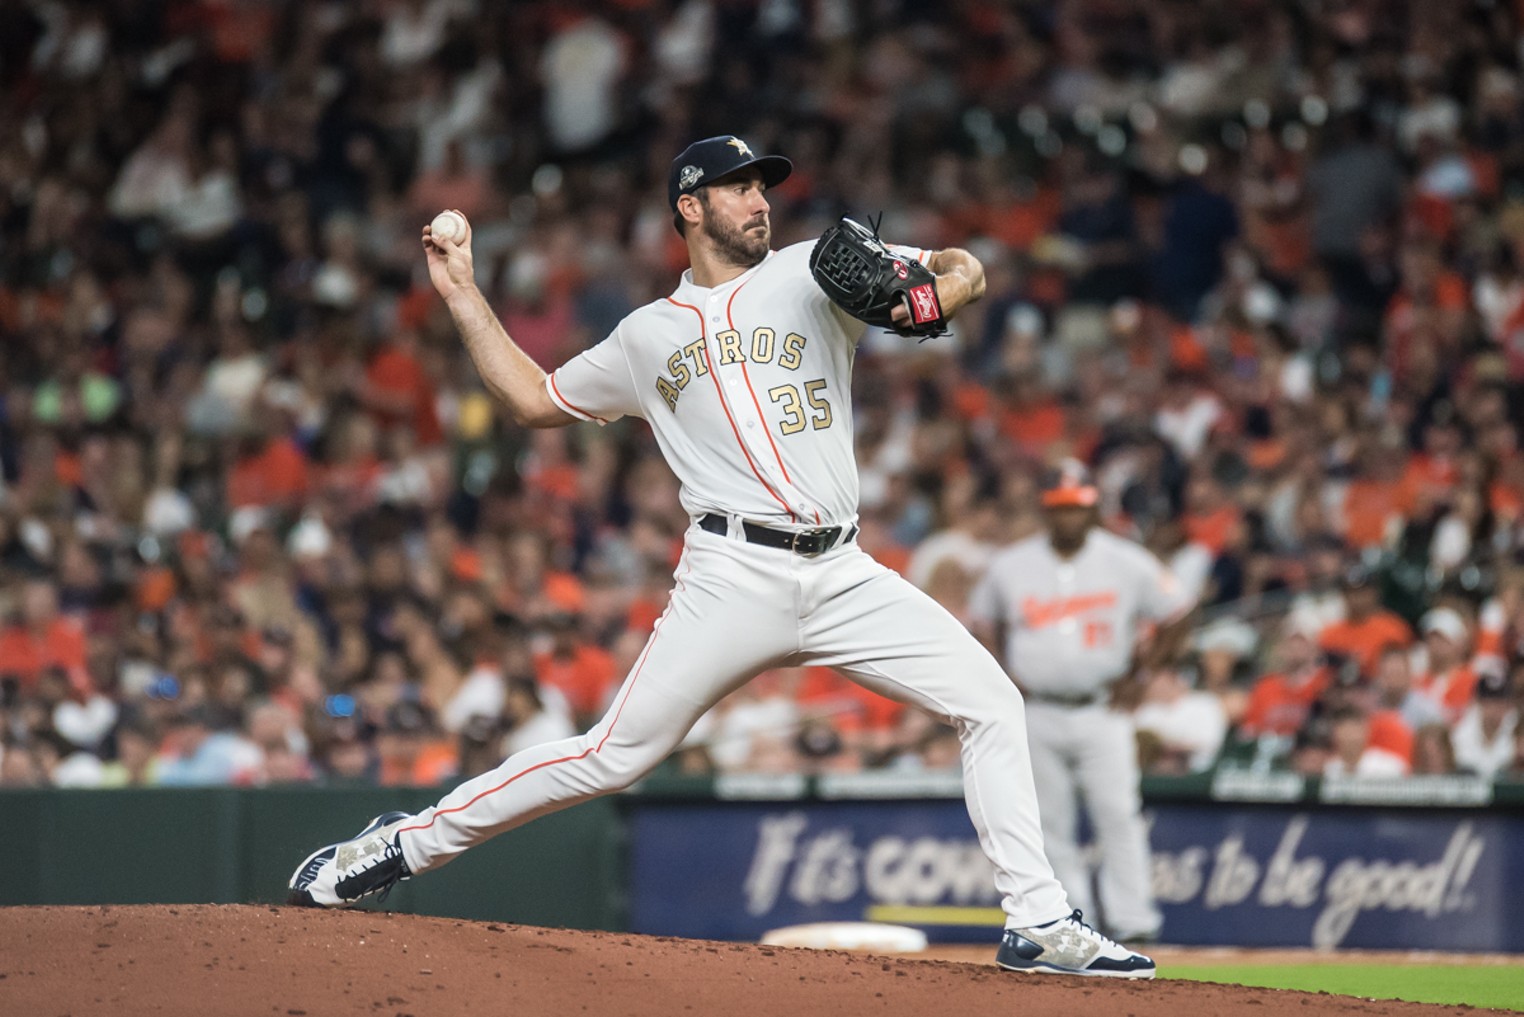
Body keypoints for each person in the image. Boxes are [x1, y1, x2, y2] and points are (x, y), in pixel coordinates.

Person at [286, 136, 1154, 978]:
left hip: (843, 570)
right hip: (731, 574)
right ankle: (401, 844)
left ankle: (1037, 920)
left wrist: (941, 293)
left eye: (763, 186)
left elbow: (967, 262)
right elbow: (532, 398)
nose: (759, 199)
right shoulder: (643, 336)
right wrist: (464, 292)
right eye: (739, 186)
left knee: (993, 701)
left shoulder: (814, 268)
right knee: (612, 756)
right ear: (689, 207)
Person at [969, 459, 1196, 944]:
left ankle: (1135, 921)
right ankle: (1075, 921)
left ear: (1093, 509)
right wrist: (1003, 676)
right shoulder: (1011, 565)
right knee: (1049, 822)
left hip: (1102, 708)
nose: (1069, 517)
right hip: (1038, 709)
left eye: (1077, 508)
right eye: (1060, 508)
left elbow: (1179, 612)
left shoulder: (1127, 560)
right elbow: (984, 623)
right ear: (1044, 510)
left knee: (1118, 813)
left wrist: (1144, 673)